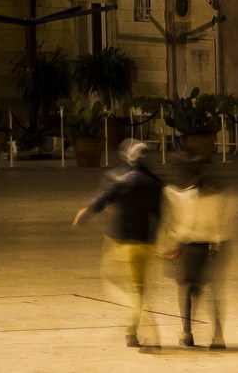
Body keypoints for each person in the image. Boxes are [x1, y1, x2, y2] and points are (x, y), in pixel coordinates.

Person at [72, 138, 165, 347]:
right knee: (139, 287)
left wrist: (84, 214)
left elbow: (101, 200)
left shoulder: (119, 180)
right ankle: (132, 331)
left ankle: (135, 313)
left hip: (120, 244)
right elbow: (158, 216)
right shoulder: (156, 183)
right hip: (145, 243)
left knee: (111, 281)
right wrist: (155, 241)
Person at [157, 156, 236, 349]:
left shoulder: (184, 197)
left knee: (185, 289)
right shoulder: (221, 196)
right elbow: (226, 223)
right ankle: (218, 335)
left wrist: (167, 246)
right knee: (214, 290)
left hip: (191, 248)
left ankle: (187, 332)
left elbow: (176, 223)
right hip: (216, 248)